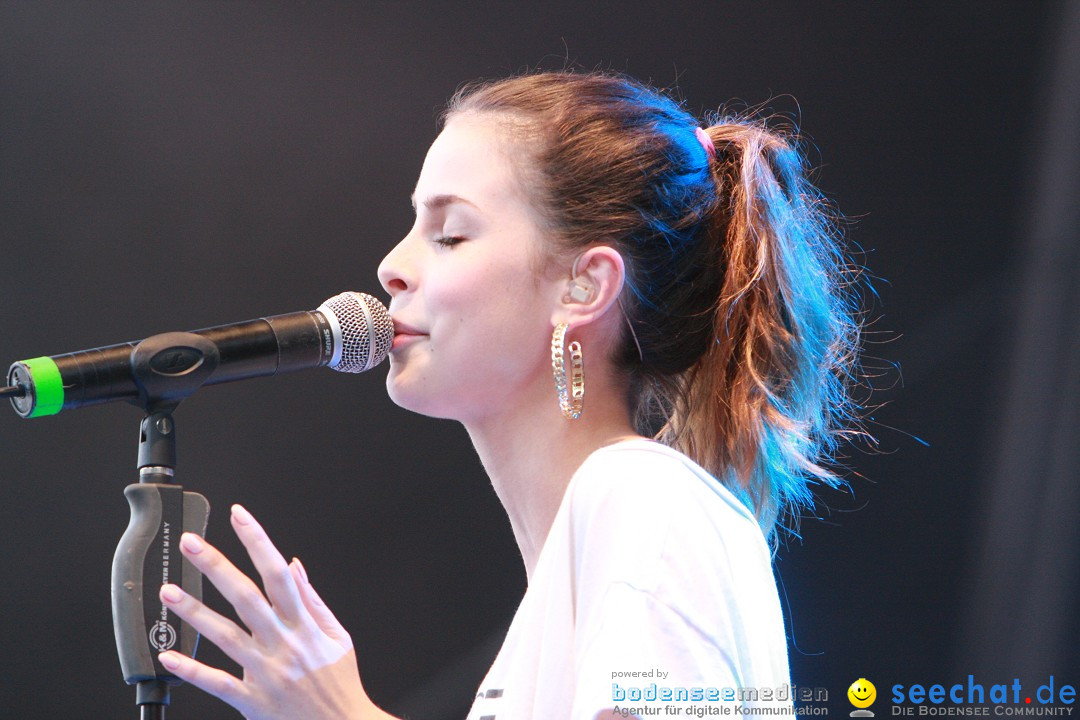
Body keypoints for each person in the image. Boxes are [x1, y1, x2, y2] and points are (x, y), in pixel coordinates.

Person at [154, 71, 862, 719]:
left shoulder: (642, 497)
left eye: (450, 234)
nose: (392, 268)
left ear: (585, 286)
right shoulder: (596, 546)